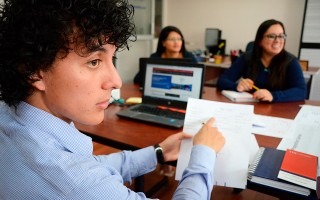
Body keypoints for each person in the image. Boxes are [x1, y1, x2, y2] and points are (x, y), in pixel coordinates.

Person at [0, 0, 225, 199]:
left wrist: (157, 152)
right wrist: (203, 153)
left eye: (112, 58)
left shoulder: (9, 117)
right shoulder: (77, 185)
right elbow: (81, 178)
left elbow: (88, 165)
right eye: (94, 61)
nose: (116, 81)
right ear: (34, 70)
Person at [217, 19, 307, 102]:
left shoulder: (291, 61)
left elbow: (301, 91)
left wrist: (273, 96)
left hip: (278, 110)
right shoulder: (247, 57)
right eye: (272, 36)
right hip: (249, 108)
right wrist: (237, 86)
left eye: (281, 36)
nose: (277, 40)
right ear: (260, 40)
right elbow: (222, 81)